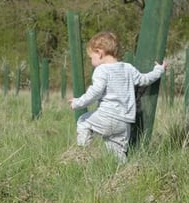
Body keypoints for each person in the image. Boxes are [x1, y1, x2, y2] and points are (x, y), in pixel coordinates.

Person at [68, 31, 167, 163]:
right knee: (118, 153)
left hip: (107, 116)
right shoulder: (128, 68)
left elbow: (95, 92)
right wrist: (159, 70)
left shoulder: (101, 70)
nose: (91, 61)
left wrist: (78, 103)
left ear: (99, 53)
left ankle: (82, 156)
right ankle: (124, 175)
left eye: (91, 57)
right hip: (124, 122)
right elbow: (144, 79)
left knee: (83, 121)